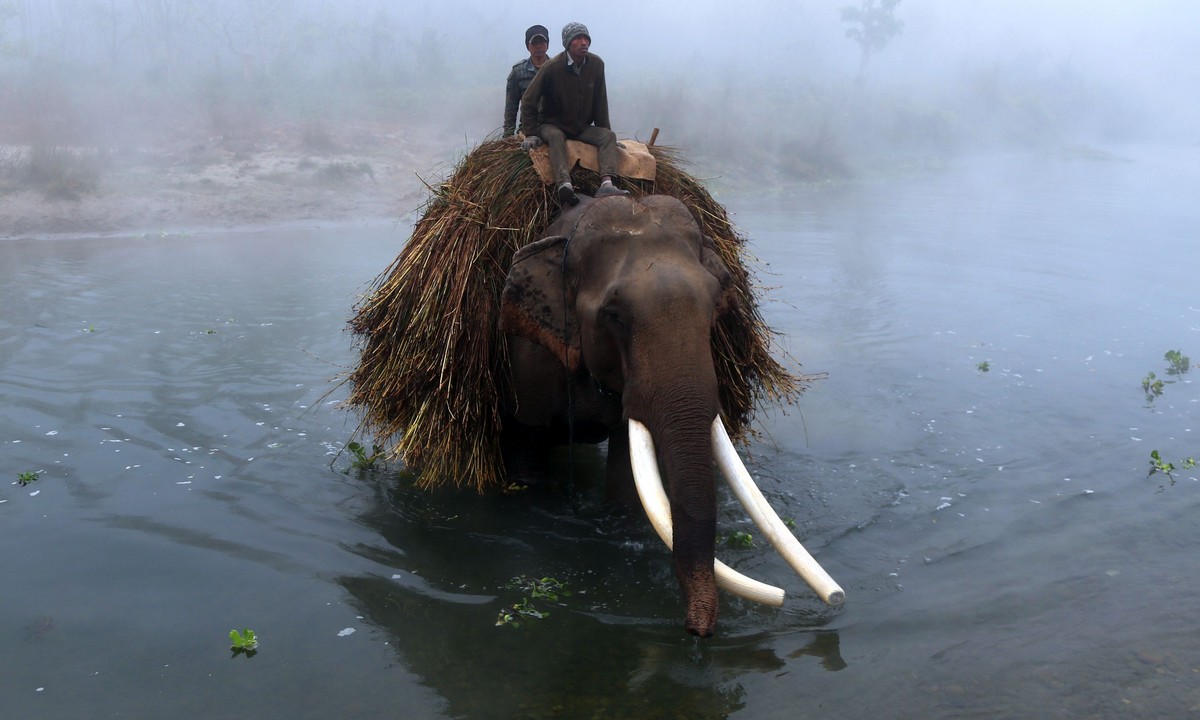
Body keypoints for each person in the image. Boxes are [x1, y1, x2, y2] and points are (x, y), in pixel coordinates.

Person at [519, 22, 629, 206]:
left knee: (608, 136)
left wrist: (604, 131)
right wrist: (531, 133)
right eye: (578, 39)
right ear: (568, 43)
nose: (583, 42)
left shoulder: (596, 65)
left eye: (586, 38)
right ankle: (564, 184)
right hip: (552, 123)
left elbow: (600, 101)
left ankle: (607, 183)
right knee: (555, 136)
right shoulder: (551, 67)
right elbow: (528, 101)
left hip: (580, 126)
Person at [503, 25, 550, 138]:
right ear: (528, 46)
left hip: (552, 127)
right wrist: (508, 135)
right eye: (534, 43)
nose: (538, 46)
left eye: (542, 43)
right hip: (527, 128)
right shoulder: (518, 71)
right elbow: (511, 105)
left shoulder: (556, 68)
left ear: (547, 45)